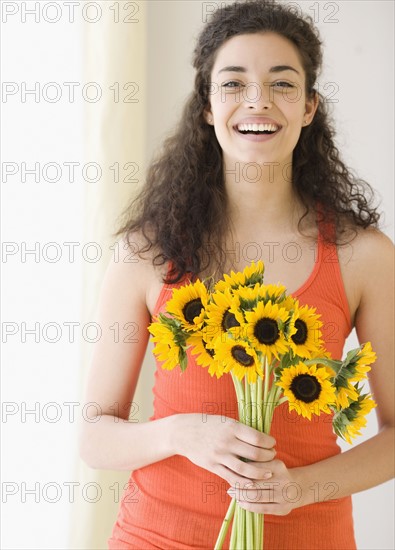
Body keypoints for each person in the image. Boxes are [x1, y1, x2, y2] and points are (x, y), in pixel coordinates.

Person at [79, 1, 394, 548]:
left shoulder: (362, 254)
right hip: (157, 536)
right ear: (206, 105)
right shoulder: (146, 252)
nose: (258, 101)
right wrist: (182, 433)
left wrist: (300, 489)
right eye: (233, 83)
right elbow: (94, 435)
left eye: (282, 83)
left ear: (310, 107)